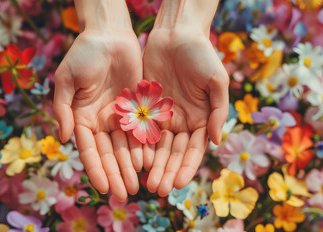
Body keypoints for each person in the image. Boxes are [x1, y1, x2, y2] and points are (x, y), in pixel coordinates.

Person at [53, 0, 229, 202]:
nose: (143, 114)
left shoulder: (145, 112)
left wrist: (184, 26)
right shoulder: (139, 111)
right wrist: (103, 22)